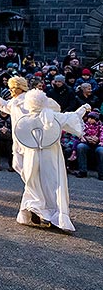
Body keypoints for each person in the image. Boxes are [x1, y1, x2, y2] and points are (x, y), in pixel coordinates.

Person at [14, 92, 89, 233]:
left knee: (33, 182)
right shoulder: (53, 116)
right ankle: (55, 215)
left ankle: (34, 207)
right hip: (51, 155)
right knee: (53, 183)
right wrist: (84, 108)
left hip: (32, 154)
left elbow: (19, 134)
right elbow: (72, 117)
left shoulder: (25, 118)